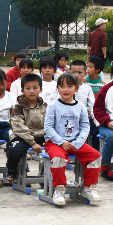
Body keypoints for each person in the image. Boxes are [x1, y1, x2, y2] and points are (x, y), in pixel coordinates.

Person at [44, 73, 102, 205]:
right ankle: (59, 189)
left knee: (96, 156)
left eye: (69, 86)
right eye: (62, 86)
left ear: (76, 88)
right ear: (57, 88)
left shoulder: (80, 106)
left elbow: (85, 126)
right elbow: (48, 127)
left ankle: (88, 188)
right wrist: (61, 142)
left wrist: (77, 143)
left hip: (76, 143)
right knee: (58, 159)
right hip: (55, 142)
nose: (65, 90)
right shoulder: (52, 106)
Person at [6, 73, 46, 183]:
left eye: (35, 88)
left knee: (54, 149)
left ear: (40, 89)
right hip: (22, 136)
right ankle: (12, 171)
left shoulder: (45, 106)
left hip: (41, 135)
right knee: (16, 150)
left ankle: (45, 176)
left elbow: (49, 124)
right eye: (28, 88)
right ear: (22, 91)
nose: (32, 91)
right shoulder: (18, 106)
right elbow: (19, 127)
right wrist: (32, 143)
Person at [70, 59, 98, 150]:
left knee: (96, 128)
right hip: (67, 117)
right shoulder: (65, 87)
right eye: (73, 72)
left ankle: (94, 151)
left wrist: (94, 118)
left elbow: (92, 105)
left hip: (83, 118)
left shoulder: (87, 88)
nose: (77, 75)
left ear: (85, 73)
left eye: (80, 72)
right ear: (69, 72)